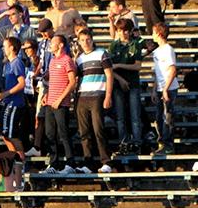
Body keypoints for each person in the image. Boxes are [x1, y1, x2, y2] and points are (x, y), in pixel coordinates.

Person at [75, 28, 114, 173]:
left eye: (88, 39)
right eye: (82, 40)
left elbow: (109, 75)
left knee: (98, 129)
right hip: (82, 97)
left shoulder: (102, 54)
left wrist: (108, 96)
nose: (85, 42)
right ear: (79, 42)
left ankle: (106, 161)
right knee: (84, 132)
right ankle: (88, 163)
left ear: (92, 40)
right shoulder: (79, 58)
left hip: (97, 96)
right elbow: (77, 78)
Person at [0, 0, 30, 117]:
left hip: (16, 47)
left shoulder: (23, 8)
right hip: (1, 47)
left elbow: (26, 28)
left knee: (15, 77)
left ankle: (18, 106)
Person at [41, 34, 77, 174]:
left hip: (61, 104)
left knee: (63, 133)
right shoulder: (52, 60)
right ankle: (54, 163)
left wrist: (60, 99)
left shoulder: (67, 60)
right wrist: (47, 95)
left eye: (53, 42)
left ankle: (70, 163)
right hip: (50, 102)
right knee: (49, 133)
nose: (51, 44)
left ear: (61, 45)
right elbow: (52, 82)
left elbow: (72, 82)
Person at [109, 18, 144, 156]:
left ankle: (137, 143)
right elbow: (109, 68)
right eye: (120, 30)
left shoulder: (135, 44)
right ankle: (123, 143)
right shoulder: (114, 45)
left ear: (130, 31)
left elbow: (137, 66)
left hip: (133, 84)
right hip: (118, 84)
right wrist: (121, 79)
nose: (123, 33)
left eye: (125, 31)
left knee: (135, 116)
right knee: (120, 117)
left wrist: (119, 65)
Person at [25, 18, 54, 158]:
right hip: (44, 82)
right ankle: (37, 146)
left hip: (55, 83)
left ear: (51, 29)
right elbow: (41, 62)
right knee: (39, 115)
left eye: (45, 32)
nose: (43, 35)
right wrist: (36, 74)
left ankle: (50, 148)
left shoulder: (58, 41)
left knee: (51, 117)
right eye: (41, 33)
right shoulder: (43, 43)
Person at [0, 37, 27, 160]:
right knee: (5, 134)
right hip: (8, 103)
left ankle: (21, 162)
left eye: (5, 46)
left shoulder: (17, 62)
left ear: (12, 48)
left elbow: (21, 83)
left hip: (15, 103)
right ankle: (14, 160)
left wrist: (6, 94)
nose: (3, 49)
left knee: (12, 135)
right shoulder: (8, 64)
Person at [150, 22, 179, 155]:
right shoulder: (156, 51)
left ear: (159, 34)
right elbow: (158, 72)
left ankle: (168, 145)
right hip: (160, 88)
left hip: (169, 88)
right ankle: (161, 143)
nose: (152, 35)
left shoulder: (168, 49)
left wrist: (166, 89)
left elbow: (172, 70)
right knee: (159, 117)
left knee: (167, 117)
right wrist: (155, 88)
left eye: (153, 32)